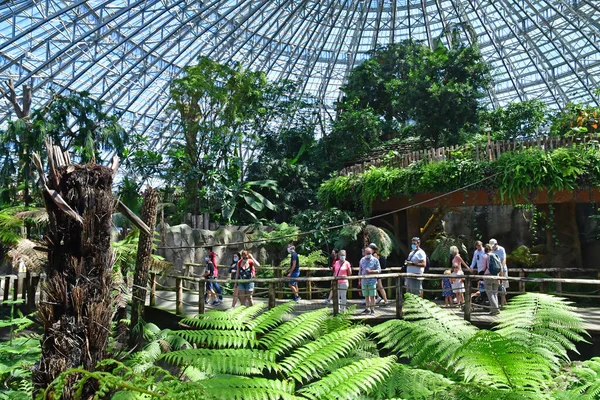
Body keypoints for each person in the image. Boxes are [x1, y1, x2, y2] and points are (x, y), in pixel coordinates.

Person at [359, 246, 381, 315]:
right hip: (364, 281)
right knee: (366, 295)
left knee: (372, 296)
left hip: (372, 281)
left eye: (369, 253)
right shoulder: (362, 260)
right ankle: (367, 308)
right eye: (367, 253)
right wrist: (359, 279)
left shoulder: (375, 260)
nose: (368, 254)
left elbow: (379, 270)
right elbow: (360, 270)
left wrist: (371, 271)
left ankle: (372, 310)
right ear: (364, 253)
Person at [482, 244, 500, 315]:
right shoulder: (496, 255)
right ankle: (494, 309)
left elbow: (483, 267)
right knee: (495, 293)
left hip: (488, 276)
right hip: (496, 276)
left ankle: (495, 309)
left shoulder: (485, 256)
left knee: (490, 293)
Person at [489, 238, 509, 306]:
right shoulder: (491, 251)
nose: (493, 247)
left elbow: (503, 259)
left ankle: (503, 302)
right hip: (494, 271)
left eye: (493, 246)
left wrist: (501, 268)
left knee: (503, 285)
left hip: (502, 269)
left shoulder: (501, 249)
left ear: (496, 244)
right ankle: (497, 303)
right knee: (496, 286)